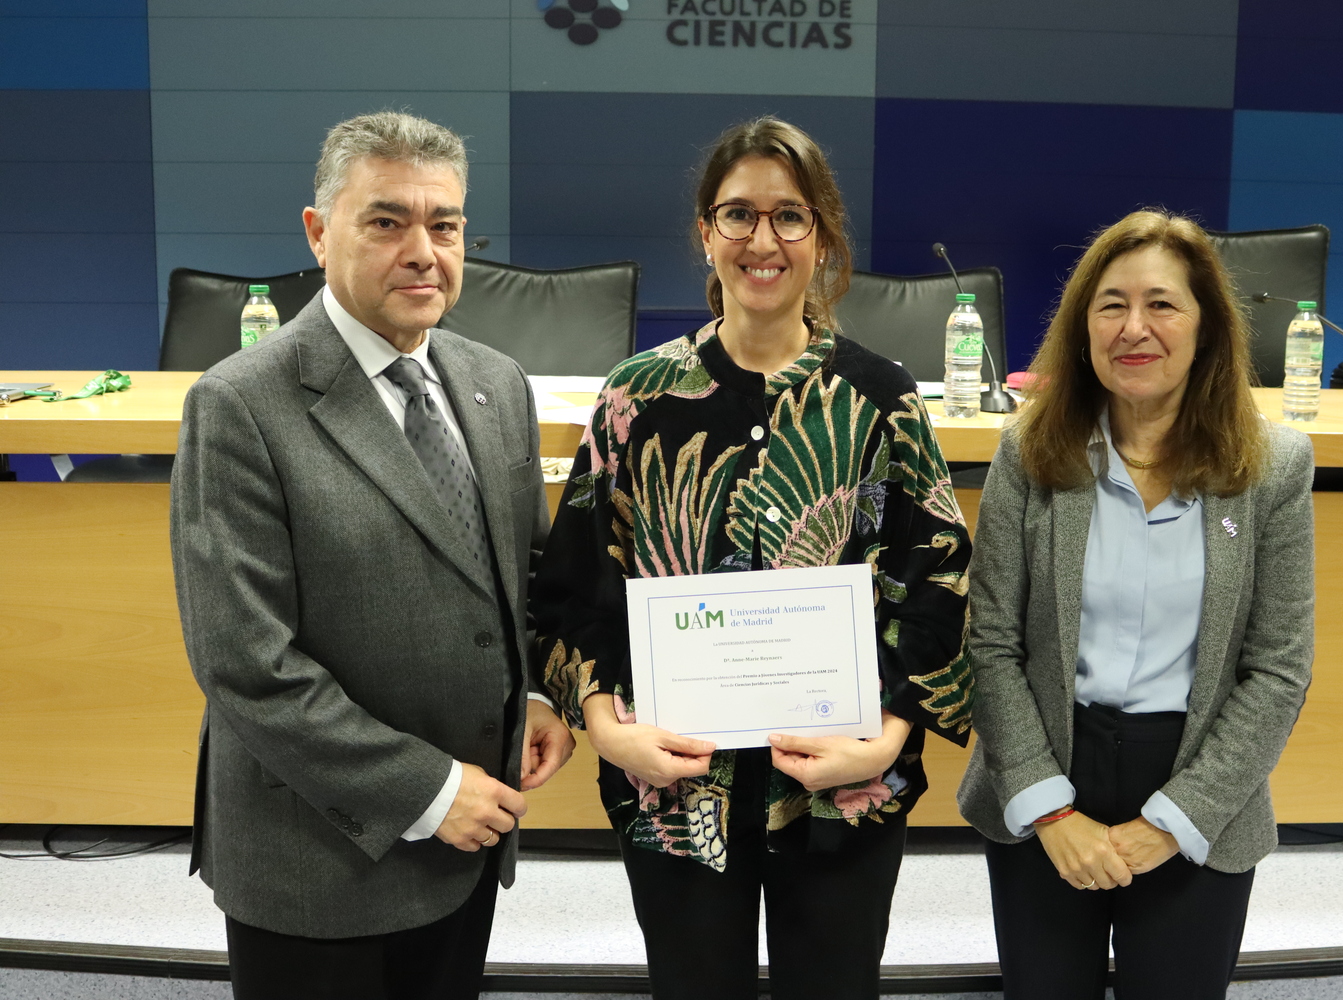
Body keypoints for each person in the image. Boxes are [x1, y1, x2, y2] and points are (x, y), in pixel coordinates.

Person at [531, 116, 974, 1000]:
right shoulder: (636, 397)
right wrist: (608, 726)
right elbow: (573, 584)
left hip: (843, 791)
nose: (762, 241)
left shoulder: (880, 396)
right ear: (705, 233)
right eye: (738, 215)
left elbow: (937, 577)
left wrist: (886, 737)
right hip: (677, 793)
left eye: (790, 217)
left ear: (824, 238)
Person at [170, 111, 575, 1000]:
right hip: (320, 857)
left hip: (470, 841)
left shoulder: (494, 382)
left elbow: (527, 575)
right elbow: (246, 663)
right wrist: (429, 792)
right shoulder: (240, 405)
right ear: (319, 234)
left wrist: (540, 691)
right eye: (387, 222)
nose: (424, 251)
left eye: (447, 225)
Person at [956, 209, 1315, 999]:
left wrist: (1172, 820)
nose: (1134, 327)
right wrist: (1051, 812)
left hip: (1196, 780)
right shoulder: (1031, 450)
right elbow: (989, 644)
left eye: (1162, 304)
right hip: (1049, 766)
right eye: (1111, 304)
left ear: (1207, 326)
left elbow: (1279, 668)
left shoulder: (1274, 467)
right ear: (1083, 328)